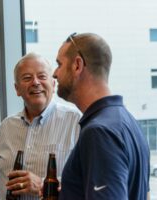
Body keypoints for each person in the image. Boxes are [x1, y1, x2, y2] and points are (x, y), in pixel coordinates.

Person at [53, 32, 150, 200]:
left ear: (77, 65)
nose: (54, 73)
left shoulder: (99, 132)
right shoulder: (128, 122)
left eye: (59, 64)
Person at [0, 52, 81, 199]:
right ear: (17, 89)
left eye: (42, 76)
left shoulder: (76, 122)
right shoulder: (6, 126)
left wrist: (43, 185)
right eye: (27, 78)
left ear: (53, 84)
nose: (35, 82)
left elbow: (85, 184)